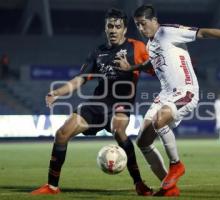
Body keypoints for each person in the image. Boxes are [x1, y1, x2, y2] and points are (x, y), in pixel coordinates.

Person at [115, 4, 220, 196]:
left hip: (186, 91)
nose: (141, 29)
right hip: (165, 94)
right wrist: (131, 67)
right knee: (143, 141)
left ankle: (176, 165)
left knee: (160, 120)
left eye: (143, 24)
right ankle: (170, 188)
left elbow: (204, 32)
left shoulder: (168, 32)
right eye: (137, 25)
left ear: (154, 20)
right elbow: (151, 62)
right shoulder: (151, 44)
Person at [31, 8, 153, 196]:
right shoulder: (98, 52)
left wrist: (138, 67)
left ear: (125, 30)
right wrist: (57, 92)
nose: (113, 30)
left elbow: (153, 68)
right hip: (97, 104)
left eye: (117, 26)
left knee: (118, 130)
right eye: (110, 26)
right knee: (62, 133)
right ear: (105, 29)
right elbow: (80, 80)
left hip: (121, 103)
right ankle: (52, 187)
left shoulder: (136, 47)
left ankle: (139, 184)